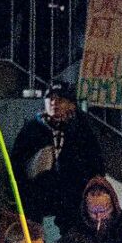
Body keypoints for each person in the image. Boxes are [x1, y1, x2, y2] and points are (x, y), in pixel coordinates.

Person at [12, 82, 105, 229]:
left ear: (72, 105)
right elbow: (17, 165)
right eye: (50, 99)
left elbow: (95, 163)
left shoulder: (83, 130)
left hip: (73, 202)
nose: (54, 103)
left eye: (60, 99)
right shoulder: (32, 129)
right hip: (38, 200)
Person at [58, 176, 122, 243]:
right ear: (86, 210)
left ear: (114, 206)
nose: (98, 216)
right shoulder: (77, 231)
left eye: (103, 211)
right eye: (93, 212)